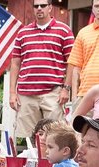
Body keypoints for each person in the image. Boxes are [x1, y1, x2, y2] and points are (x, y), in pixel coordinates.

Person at [9, 0, 74, 137]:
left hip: (53, 94)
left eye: (43, 5)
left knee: (55, 137)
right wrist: (12, 93)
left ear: (50, 7)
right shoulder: (23, 33)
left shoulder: (64, 30)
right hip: (26, 94)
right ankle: (31, 159)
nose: (39, 8)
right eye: (36, 6)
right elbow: (15, 63)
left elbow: (71, 62)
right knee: (27, 138)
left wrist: (66, 89)